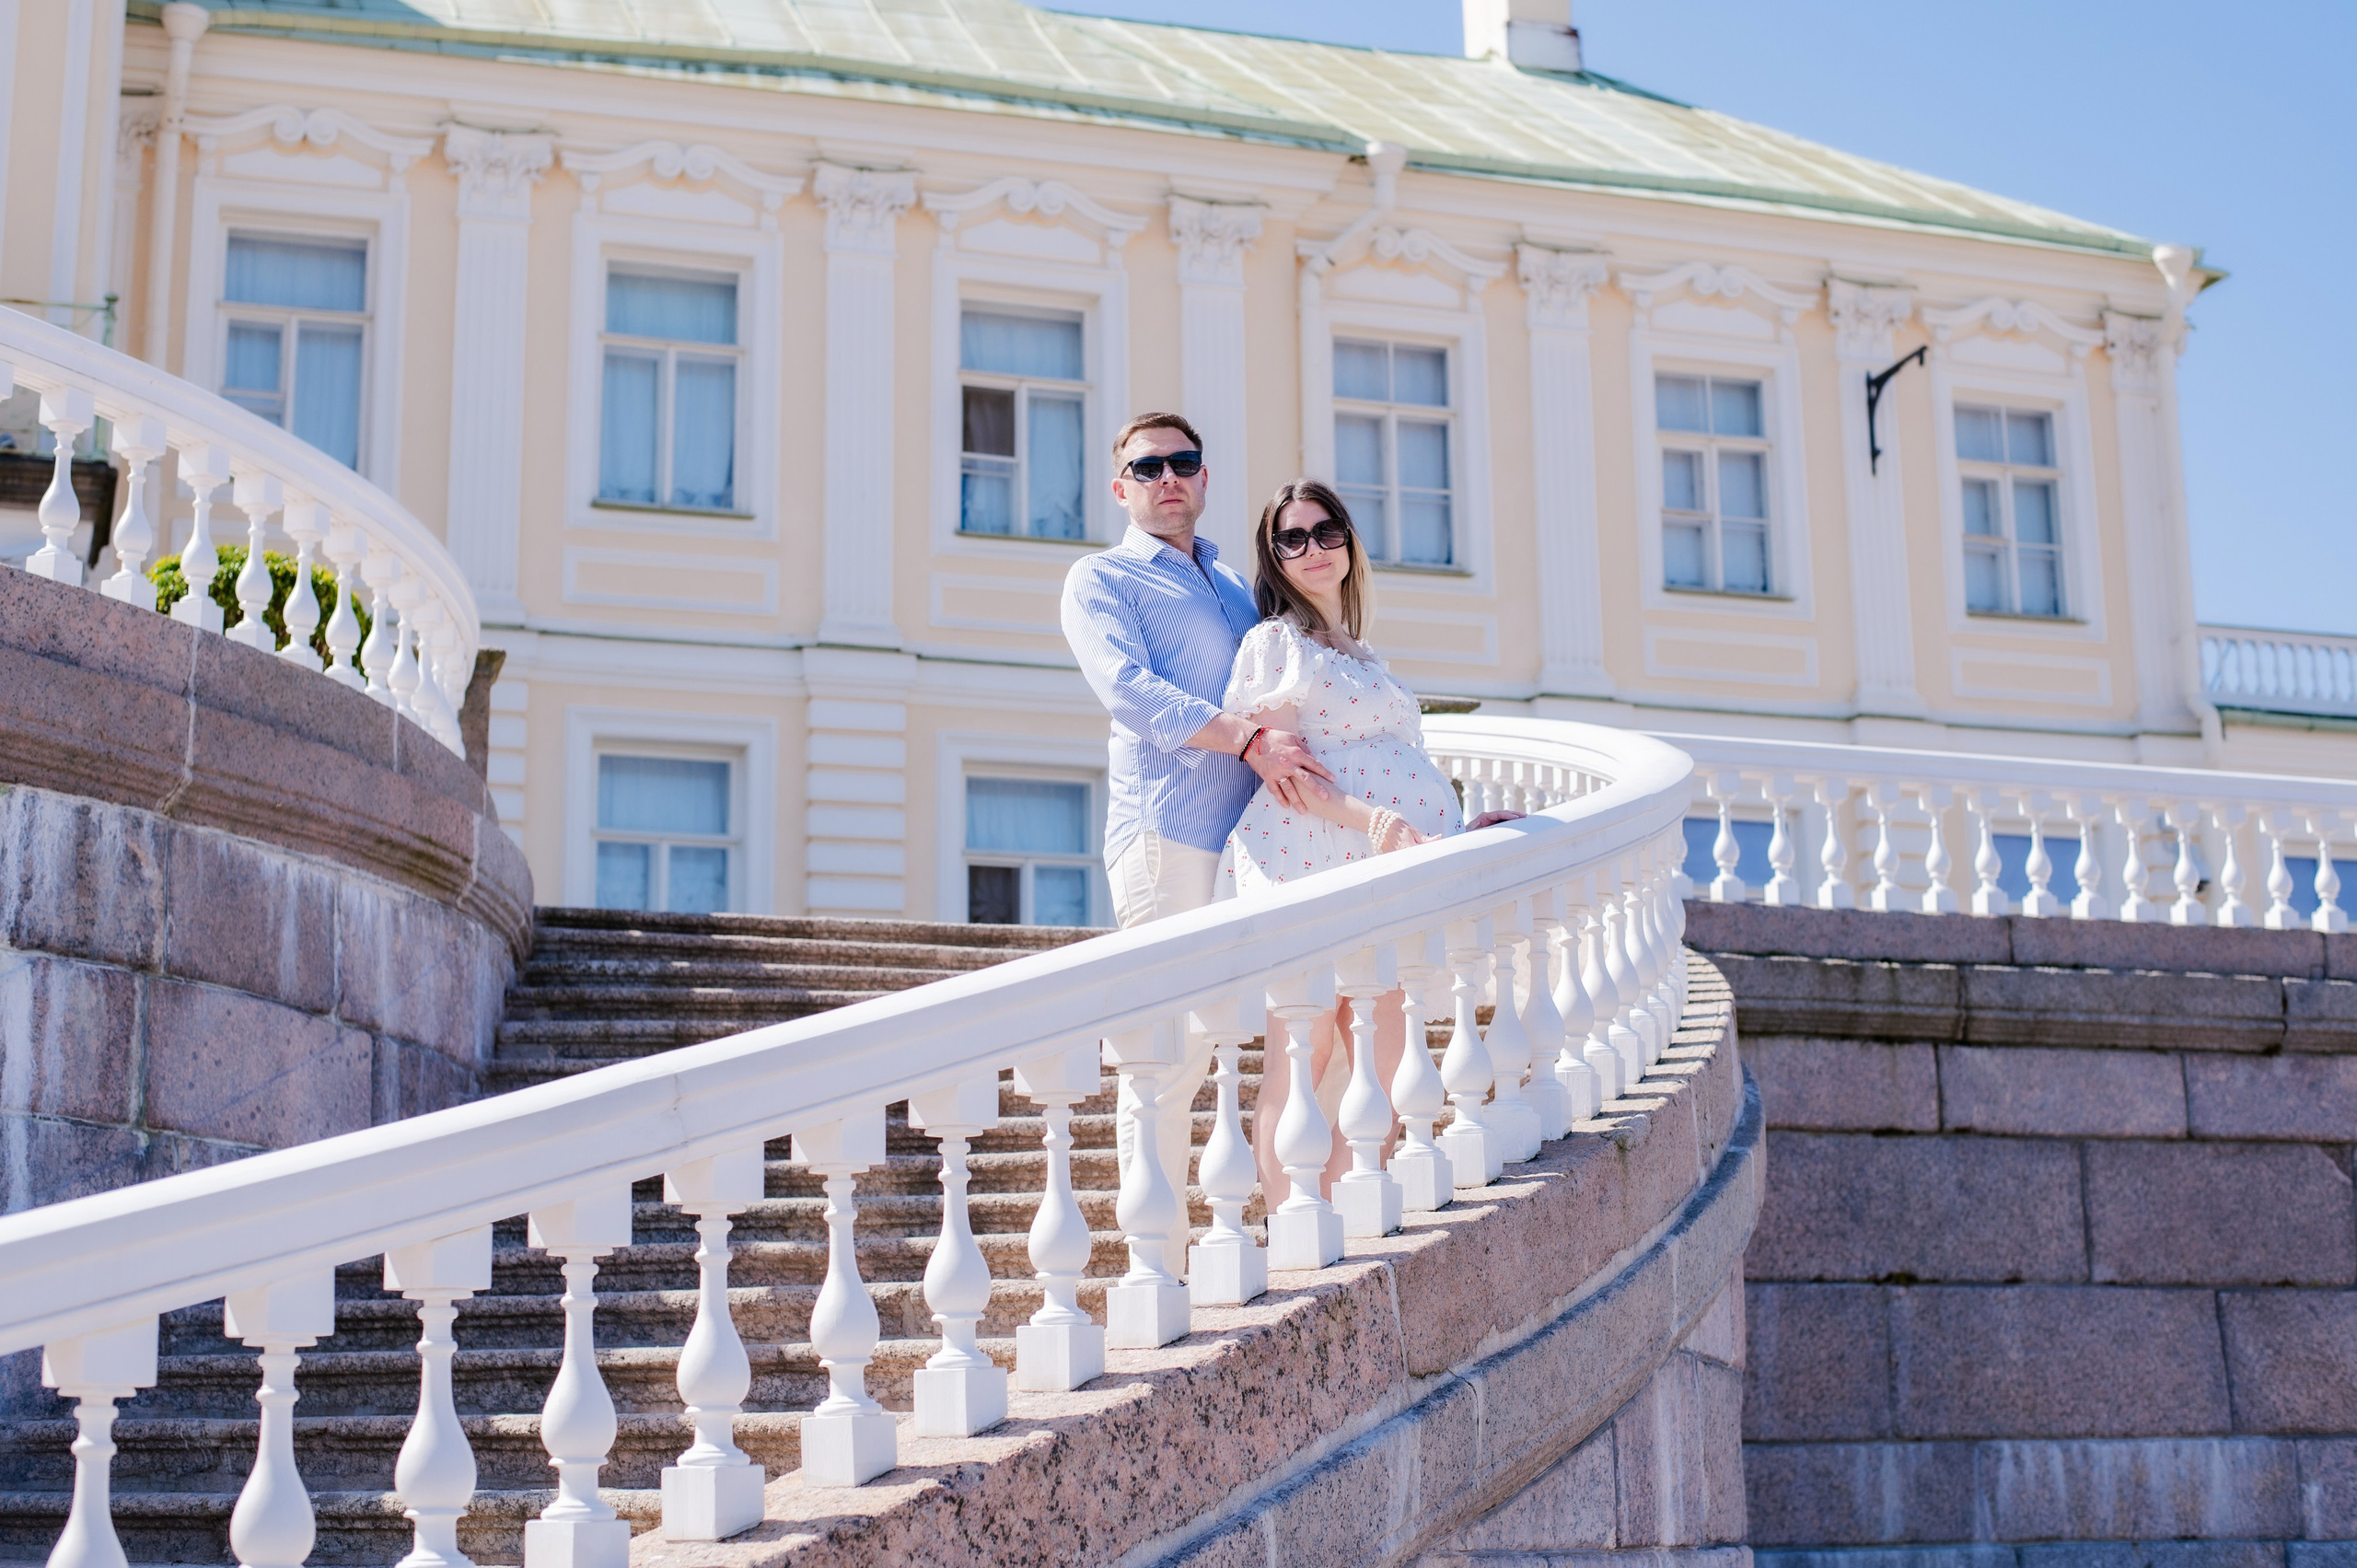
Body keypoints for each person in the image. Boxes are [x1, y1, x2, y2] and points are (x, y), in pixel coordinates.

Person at [1060, 413, 1335, 1247]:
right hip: (1167, 836)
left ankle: (1261, 1222)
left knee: (1272, 1029)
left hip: (1252, 842)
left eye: (1183, 462)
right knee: (1166, 1049)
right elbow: (1129, 689)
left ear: (1205, 478)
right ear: (1121, 489)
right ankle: (1158, 1256)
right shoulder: (1101, 579)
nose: (1168, 478)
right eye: (1148, 467)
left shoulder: (1234, 583)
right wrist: (1247, 740)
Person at [1219, 479, 1517, 1202]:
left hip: (1384, 868)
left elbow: (1393, 763)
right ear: (1274, 558)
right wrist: (1377, 823)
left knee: (1388, 1058)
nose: (1313, 548)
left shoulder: (1360, 653)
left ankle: (1342, 1213)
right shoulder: (1276, 643)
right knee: (1306, 1046)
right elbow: (1288, 775)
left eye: (1326, 531)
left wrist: (1453, 831)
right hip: (1310, 857)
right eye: (1292, 538)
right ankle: (1291, 1220)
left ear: (1349, 542)